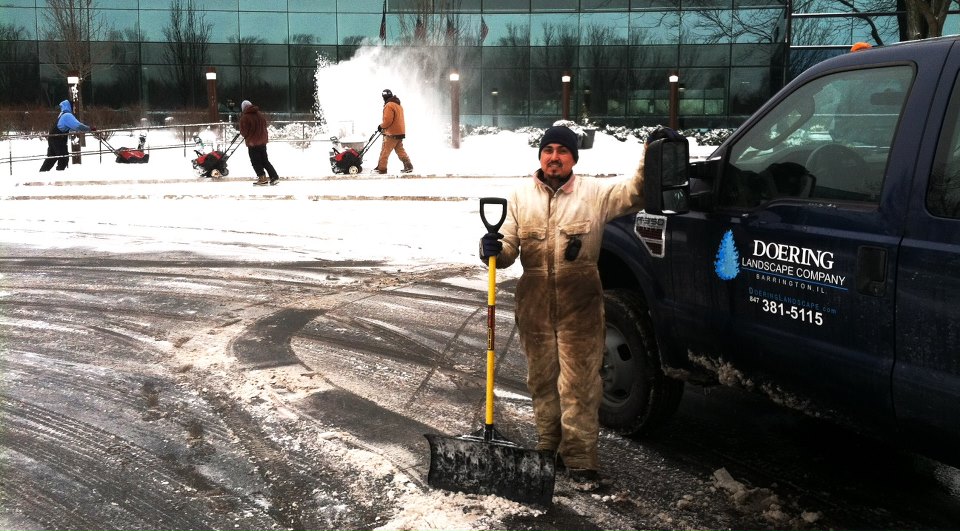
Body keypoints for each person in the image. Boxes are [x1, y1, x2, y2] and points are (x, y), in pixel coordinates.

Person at [478, 125, 680, 491]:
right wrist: (494, 248)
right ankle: (547, 446)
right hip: (535, 302)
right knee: (541, 382)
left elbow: (635, 190)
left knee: (581, 385)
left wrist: (651, 149)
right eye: (548, 150)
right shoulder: (521, 196)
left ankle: (581, 458)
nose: (554, 156)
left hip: (581, 303)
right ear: (540, 156)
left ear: (574, 157)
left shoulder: (595, 194)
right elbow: (507, 248)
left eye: (562, 150)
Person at [40, 100, 93, 172]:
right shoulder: (67, 115)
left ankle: (42, 173)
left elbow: (68, 127)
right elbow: (77, 126)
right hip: (58, 140)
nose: (75, 108)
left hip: (53, 138)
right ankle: (60, 175)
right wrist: (89, 128)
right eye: (74, 106)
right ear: (70, 106)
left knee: (52, 158)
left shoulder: (62, 114)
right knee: (64, 158)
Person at [238, 99, 280, 186]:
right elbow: (264, 125)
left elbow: (244, 132)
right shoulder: (260, 115)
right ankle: (274, 176)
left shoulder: (245, 117)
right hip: (262, 142)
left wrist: (246, 135)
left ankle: (262, 178)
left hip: (253, 144)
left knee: (255, 162)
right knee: (265, 161)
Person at [374, 89, 413, 174]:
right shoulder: (398, 105)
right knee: (400, 150)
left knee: (385, 151)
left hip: (391, 133)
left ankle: (382, 169)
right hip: (399, 132)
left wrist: (381, 126)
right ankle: (408, 165)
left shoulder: (389, 105)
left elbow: (388, 121)